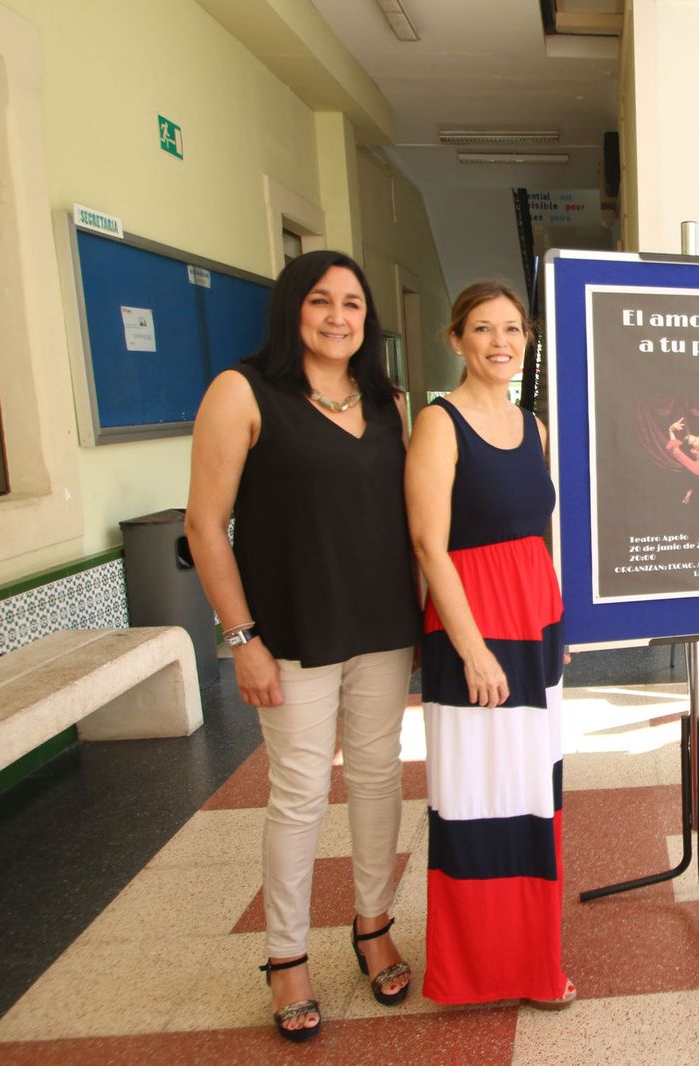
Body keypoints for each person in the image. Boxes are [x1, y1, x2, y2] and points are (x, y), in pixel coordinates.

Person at [186, 250, 419, 1042]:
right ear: (293, 309)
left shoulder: (386, 399)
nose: (337, 317)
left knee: (381, 777)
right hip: (292, 632)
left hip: (384, 624)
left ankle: (372, 923)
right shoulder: (242, 392)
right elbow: (203, 525)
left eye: (352, 303)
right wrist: (241, 637)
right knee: (299, 792)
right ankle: (286, 956)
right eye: (321, 301)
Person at [404, 280, 574, 1009]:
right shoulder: (438, 423)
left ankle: (534, 961)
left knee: (532, 796)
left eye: (513, 329)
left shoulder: (531, 426)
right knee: (478, 801)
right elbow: (427, 544)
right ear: (456, 340)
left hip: (534, 627)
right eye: (482, 329)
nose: (500, 342)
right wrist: (474, 652)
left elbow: (537, 536)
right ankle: (475, 970)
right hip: (473, 630)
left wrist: (556, 625)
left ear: (527, 340)